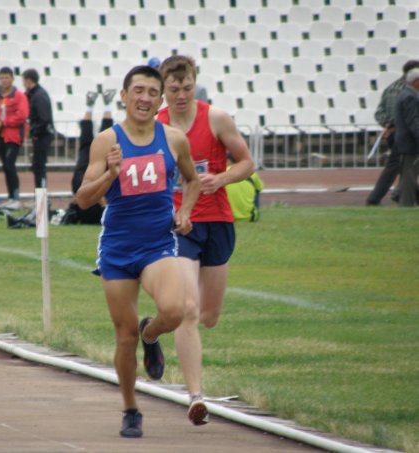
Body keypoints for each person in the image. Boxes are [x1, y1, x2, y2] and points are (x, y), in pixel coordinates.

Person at [76, 65, 200, 438]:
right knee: (124, 335)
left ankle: (152, 333)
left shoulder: (174, 139)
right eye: (138, 91)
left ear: (160, 100)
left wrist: (184, 212)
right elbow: (83, 200)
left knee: (174, 311)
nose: (145, 98)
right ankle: (131, 409)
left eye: (152, 93)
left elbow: (193, 180)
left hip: (157, 244)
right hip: (117, 249)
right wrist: (110, 174)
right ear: (124, 96)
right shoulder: (106, 142)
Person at [157, 55, 254, 425]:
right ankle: (196, 396)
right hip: (178, 224)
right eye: (174, 89)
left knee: (209, 316)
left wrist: (222, 178)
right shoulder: (155, 126)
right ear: (163, 89)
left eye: (187, 87)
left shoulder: (216, 119)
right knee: (188, 309)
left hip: (216, 221)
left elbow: (247, 163)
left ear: (195, 84)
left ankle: (156, 323)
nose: (181, 95)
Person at [366, 59, 419, 206]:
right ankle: (376, 198)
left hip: (395, 132)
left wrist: (387, 125)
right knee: (399, 168)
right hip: (405, 134)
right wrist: (394, 126)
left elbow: (379, 112)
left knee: (404, 167)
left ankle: (399, 194)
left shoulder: (391, 87)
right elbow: (407, 115)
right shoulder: (408, 91)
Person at [63, 88, 116, 224]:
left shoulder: (89, 212)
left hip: (84, 183)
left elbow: (77, 200)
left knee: (87, 145)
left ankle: (92, 106)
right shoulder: (100, 213)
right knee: (101, 141)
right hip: (93, 181)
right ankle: (104, 105)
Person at [0, 66, 29, 210]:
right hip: (2, 135)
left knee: (9, 165)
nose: (4, 80)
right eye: (1, 78)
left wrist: (4, 122)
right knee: (6, 167)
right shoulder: (2, 97)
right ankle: (11, 197)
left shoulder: (19, 96)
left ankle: (15, 198)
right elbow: (0, 114)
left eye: (6, 77)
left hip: (13, 136)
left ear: (12, 79)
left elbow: (22, 115)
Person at [22, 68, 54, 189]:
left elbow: (44, 119)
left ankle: (41, 195)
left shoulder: (39, 95)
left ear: (28, 80)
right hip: (41, 134)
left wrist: (33, 131)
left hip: (42, 135)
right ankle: (40, 194)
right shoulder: (35, 94)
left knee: (39, 167)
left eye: (24, 81)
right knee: (38, 166)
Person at [393, 67, 419, 207]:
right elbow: (413, 122)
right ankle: (406, 204)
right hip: (410, 143)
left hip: (406, 142)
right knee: (409, 176)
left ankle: (399, 195)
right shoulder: (410, 97)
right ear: (416, 81)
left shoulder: (405, 94)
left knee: (407, 174)